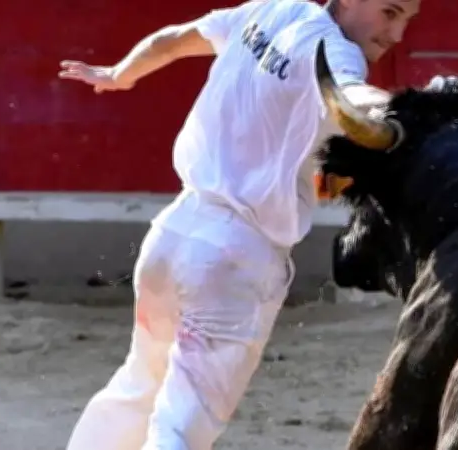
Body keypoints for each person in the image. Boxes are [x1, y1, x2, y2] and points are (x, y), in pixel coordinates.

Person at [57, 0, 422, 448]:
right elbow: (353, 94)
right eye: (390, 12)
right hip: (234, 261)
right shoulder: (337, 53)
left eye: (407, 18)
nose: (397, 35)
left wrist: (120, 74)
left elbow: (173, 39)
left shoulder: (267, 10)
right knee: (180, 427)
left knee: (135, 388)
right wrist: (416, 114)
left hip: (173, 233)